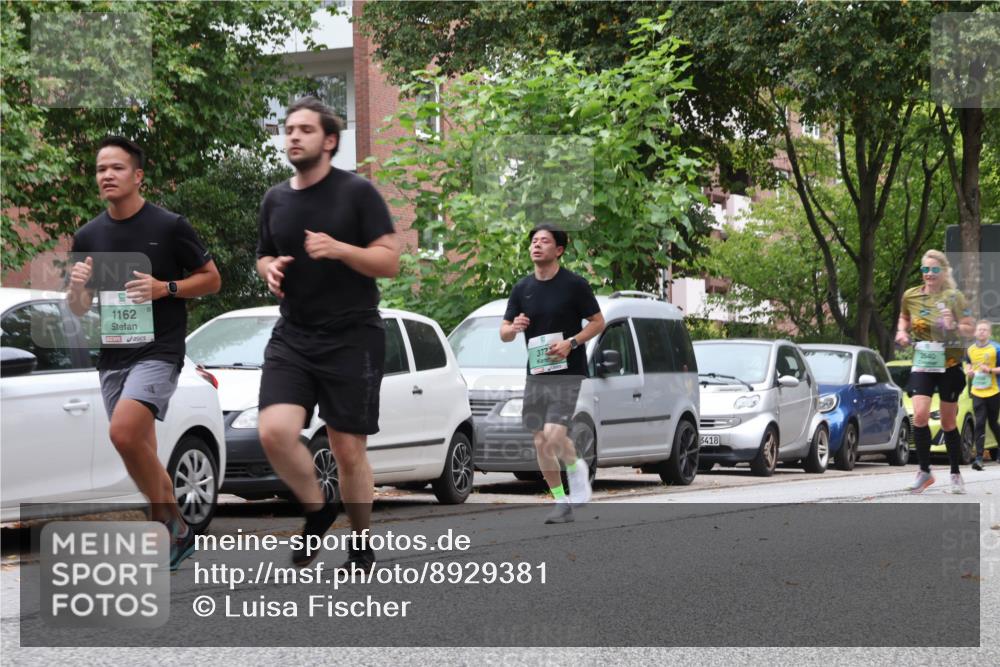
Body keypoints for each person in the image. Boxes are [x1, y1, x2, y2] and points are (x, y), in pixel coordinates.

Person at [256, 97, 399, 570]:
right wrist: (269, 269)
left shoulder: (357, 193)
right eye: (289, 130)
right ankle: (318, 509)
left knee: (347, 449)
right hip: (294, 334)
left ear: (330, 140)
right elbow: (263, 254)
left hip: (352, 335)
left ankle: (360, 542)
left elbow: (389, 261)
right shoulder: (275, 199)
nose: (294, 137)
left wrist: (339, 249)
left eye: (305, 130)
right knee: (274, 432)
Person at [67, 136, 221, 569]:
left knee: (122, 434)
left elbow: (211, 280)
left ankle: (173, 525)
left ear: (138, 176)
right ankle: (170, 532)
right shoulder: (88, 235)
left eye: (116, 168)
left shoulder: (169, 226)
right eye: (101, 169)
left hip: (159, 350)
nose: (107, 175)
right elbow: (78, 308)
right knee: (138, 449)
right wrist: (77, 288)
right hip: (114, 355)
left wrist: (164, 288)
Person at [500, 224, 605, 524]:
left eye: (544, 241)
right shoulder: (522, 288)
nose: (536, 245)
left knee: (554, 434)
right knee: (540, 442)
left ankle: (575, 467)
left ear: (558, 250)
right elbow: (504, 332)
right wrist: (513, 327)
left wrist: (572, 343)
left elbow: (598, 322)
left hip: (567, 372)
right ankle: (561, 501)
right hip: (536, 373)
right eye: (534, 241)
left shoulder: (574, 285)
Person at [895, 249, 974, 494]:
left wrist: (954, 325)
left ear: (944, 272)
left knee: (948, 422)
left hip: (949, 364)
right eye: (925, 269)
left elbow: (969, 328)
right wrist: (902, 332)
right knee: (919, 415)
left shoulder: (955, 298)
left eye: (934, 269)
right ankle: (924, 471)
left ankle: (955, 473)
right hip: (923, 362)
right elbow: (904, 317)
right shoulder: (911, 295)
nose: (929, 274)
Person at [963, 320, 1000, 470]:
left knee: (992, 422)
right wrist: (969, 372)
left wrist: (990, 370)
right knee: (979, 422)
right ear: (975, 332)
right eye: (979, 329)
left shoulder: (996, 348)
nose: (982, 332)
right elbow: (968, 365)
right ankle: (978, 458)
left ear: (989, 333)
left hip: (994, 391)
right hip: (977, 391)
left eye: (985, 330)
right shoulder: (970, 349)